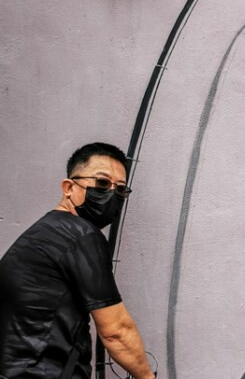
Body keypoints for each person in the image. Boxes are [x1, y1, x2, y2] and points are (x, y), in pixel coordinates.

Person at [0, 143, 155, 379]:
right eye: (102, 183)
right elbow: (116, 332)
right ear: (69, 187)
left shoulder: (45, 232)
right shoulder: (80, 234)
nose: (112, 194)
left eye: (121, 189)